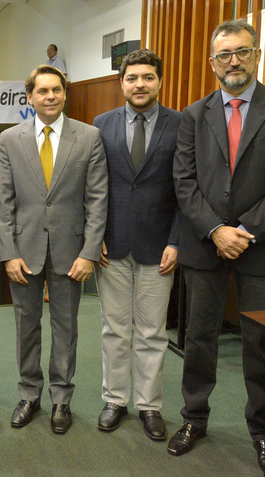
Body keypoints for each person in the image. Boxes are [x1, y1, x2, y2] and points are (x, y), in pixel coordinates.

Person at [169, 19, 265, 471]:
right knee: (199, 337)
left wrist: (244, 230)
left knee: (261, 343)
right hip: (204, 244)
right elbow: (184, 181)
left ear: (256, 55)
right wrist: (215, 230)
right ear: (212, 63)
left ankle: (264, 430)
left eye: (242, 52)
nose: (234, 61)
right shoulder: (193, 114)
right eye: (224, 54)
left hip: (261, 246)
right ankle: (194, 417)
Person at [0, 65, 107, 434]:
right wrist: (8, 254)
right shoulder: (10, 139)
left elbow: (97, 199)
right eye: (42, 91)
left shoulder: (89, 137)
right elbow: (3, 202)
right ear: (29, 97)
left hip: (70, 252)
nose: (50, 96)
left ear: (65, 93)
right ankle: (29, 395)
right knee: (26, 327)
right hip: (23, 251)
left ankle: (61, 399)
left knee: (65, 329)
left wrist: (89, 252)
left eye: (56, 90)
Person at [92, 49, 182, 441]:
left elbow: (185, 190)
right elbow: (93, 187)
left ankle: (149, 406)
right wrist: (93, 238)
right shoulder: (101, 125)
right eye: (132, 78)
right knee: (114, 330)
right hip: (111, 246)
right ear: (122, 83)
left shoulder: (181, 124)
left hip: (159, 248)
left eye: (148, 77)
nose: (140, 84)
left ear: (159, 81)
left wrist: (176, 241)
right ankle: (114, 400)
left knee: (151, 333)